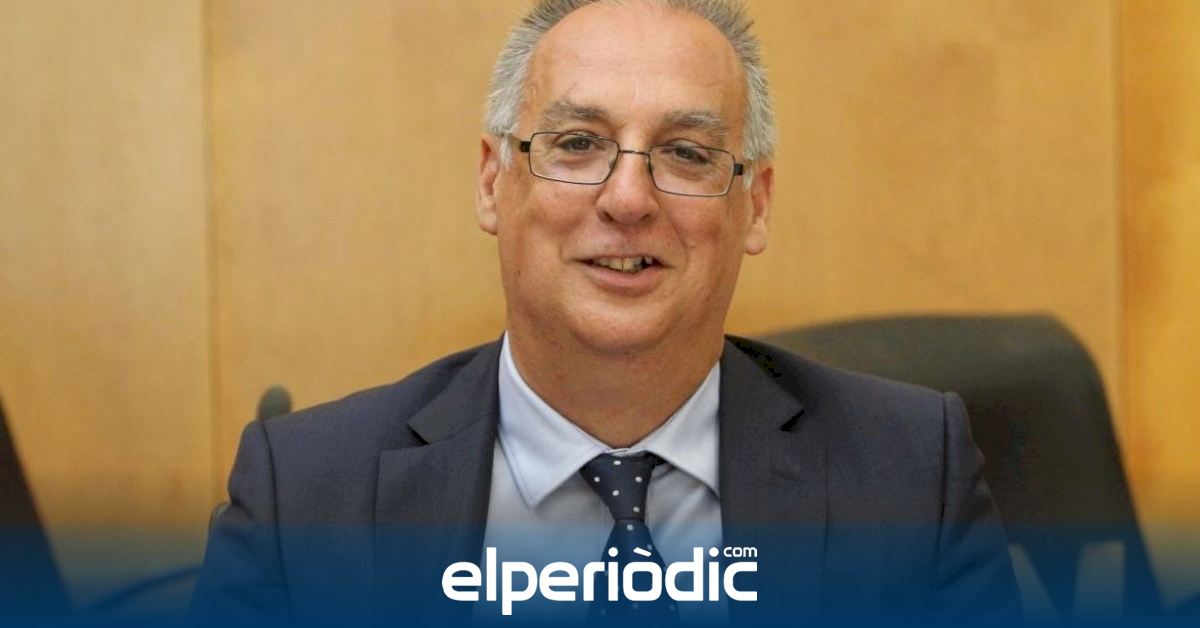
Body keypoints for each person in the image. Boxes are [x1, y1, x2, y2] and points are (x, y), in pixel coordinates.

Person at [190, 0, 1020, 625]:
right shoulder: (303, 501)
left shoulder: (914, 480)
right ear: (493, 182)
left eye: (686, 153)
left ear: (756, 205)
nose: (628, 199)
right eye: (578, 143)